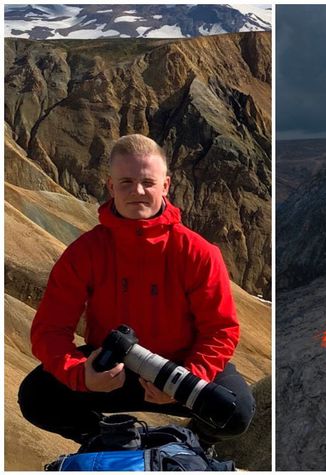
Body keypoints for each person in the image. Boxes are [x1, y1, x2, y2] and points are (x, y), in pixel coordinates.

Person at [18, 134, 255, 449]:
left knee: (237, 410)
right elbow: (50, 329)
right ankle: (106, 438)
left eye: (148, 182)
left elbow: (220, 330)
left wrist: (188, 377)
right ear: (111, 186)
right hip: (112, 371)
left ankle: (191, 445)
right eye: (126, 182)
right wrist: (81, 375)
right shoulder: (85, 252)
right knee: (36, 397)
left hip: (181, 369)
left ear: (166, 186)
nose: (138, 192)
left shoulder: (198, 252)